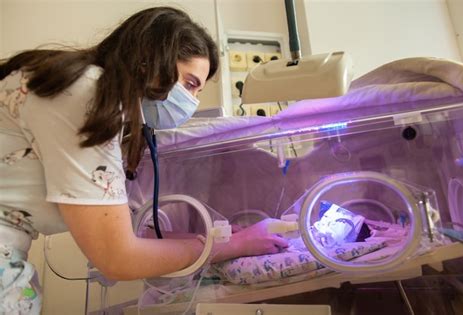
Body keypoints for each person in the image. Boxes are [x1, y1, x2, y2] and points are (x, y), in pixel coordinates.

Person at [0, 6, 288, 314]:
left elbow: (128, 232)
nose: (191, 103)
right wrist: (234, 246)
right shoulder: (86, 95)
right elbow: (118, 257)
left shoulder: (91, 94)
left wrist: (217, 236)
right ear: (150, 60)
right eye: (190, 84)